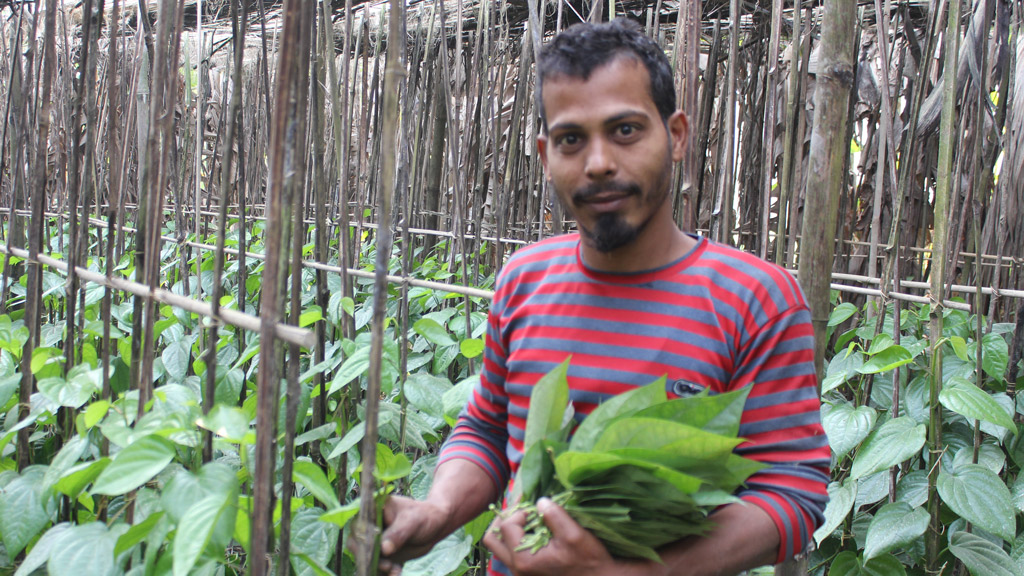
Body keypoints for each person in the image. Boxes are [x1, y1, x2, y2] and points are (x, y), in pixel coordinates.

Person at [376, 18, 830, 576]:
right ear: (545, 154)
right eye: (571, 139)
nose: (597, 163)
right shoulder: (524, 279)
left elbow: (790, 491)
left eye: (625, 131)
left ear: (678, 135)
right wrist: (439, 510)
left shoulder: (756, 299)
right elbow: (490, 428)